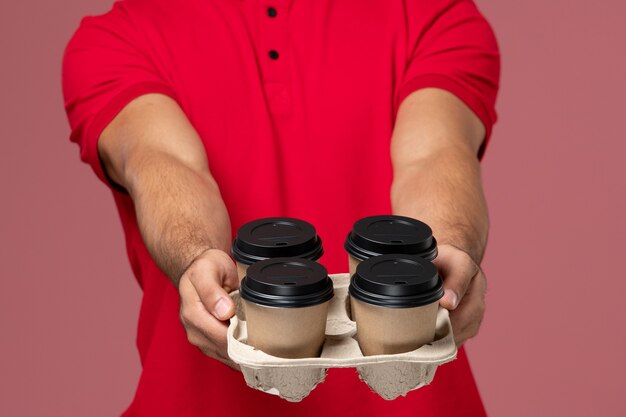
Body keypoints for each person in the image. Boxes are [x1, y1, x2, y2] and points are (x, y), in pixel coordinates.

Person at [62, 0, 499, 415]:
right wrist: (198, 259)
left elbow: (436, 155)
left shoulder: (432, 14)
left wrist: (449, 247)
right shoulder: (119, 37)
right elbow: (162, 162)